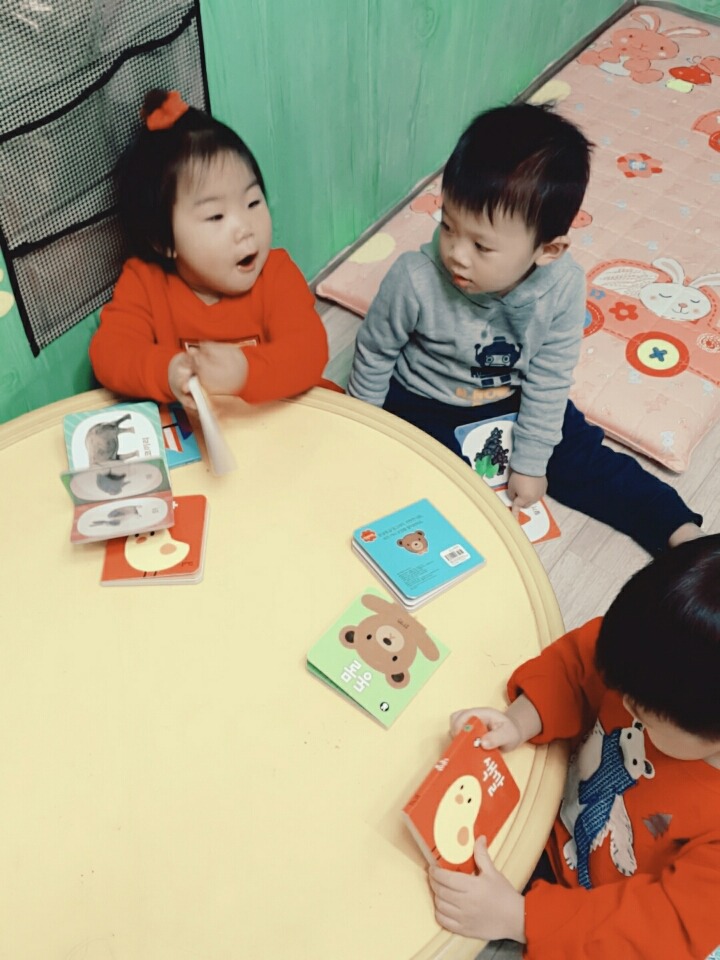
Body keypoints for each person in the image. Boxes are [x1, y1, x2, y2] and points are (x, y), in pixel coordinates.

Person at [347, 102, 702, 554]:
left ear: (547, 251)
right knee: (425, 480)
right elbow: (375, 352)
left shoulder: (563, 287)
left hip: (515, 399)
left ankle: (683, 539)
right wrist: (363, 428)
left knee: (583, 457)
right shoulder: (414, 277)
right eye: (448, 225)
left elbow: (549, 378)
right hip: (425, 401)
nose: (456, 253)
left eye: (481, 246)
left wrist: (532, 461)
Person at [428, 533, 720, 960]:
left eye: (645, 715)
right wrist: (521, 719)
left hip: (588, 925)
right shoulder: (654, 657)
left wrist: (521, 919)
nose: (624, 703)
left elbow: (658, 930)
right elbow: (581, 660)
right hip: (538, 827)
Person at [90, 89, 329, 409]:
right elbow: (110, 353)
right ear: (162, 240)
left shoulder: (276, 273)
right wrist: (167, 372)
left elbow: (310, 351)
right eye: (216, 216)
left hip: (283, 416)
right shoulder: (144, 283)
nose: (245, 228)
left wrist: (245, 372)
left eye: (253, 202)